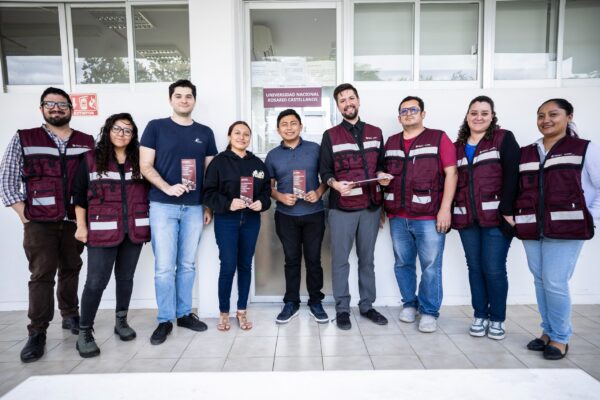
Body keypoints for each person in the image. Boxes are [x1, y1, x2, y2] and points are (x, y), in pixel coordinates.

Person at [0, 87, 94, 362]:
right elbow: (7, 180)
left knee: (71, 268)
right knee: (42, 274)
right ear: (42, 108)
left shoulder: (86, 141)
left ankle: (70, 315)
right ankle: (37, 332)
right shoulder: (25, 137)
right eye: (50, 104)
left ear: (71, 109)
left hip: (74, 220)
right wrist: (25, 215)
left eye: (62, 104)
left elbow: (93, 180)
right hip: (39, 222)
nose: (56, 108)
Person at [515, 98, 600, 360]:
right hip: (532, 228)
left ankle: (561, 338)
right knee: (541, 281)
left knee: (555, 282)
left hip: (567, 227)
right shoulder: (528, 151)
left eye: (553, 114)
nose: (546, 120)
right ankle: (548, 331)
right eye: (541, 116)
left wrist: (590, 216)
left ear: (569, 117)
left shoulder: (584, 148)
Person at [140, 79, 217, 345]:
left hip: (194, 207)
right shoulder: (155, 127)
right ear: (170, 99)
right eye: (179, 96)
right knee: (164, 267)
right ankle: (164, 319)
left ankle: (183, 314)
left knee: (187, 264)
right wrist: (167, 187)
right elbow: (145, 166)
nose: (184, 100)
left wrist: (207, 205)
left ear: (194, 100)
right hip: (163, 206)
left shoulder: (205, 132)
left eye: (188, 96)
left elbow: (209, 173)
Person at [72, 113, 150, 357]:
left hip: (133, 231)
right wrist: (81, 226)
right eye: (117, 128)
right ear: (107, 130)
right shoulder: (90, 159)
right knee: (95, 282)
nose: (122, 134)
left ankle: (121, 321)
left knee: (125, 278)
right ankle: (85, 331)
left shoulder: (141, 161)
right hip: (102, 231)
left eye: (128, 130)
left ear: (133, 135)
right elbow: (79, 196)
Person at [382, 96, 457, 333]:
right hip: (398, 216)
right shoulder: (391, 142)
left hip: (429, 217)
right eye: (404, 111)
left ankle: (429, 311)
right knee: (403, 263)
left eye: (413, 109)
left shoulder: (438, 138)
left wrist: (445, 209)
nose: (408, 114)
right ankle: (409, 304)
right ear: (399, 117)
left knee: (431, 266)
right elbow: (383, 173)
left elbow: (452, 173)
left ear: (423, 114)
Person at [319, 83, 390, 330]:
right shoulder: (330, 135)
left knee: (367, 260)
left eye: (351, 98)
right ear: (338, 106)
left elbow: (381, 165)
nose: (347, 103)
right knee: (340, 260)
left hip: (371, 208)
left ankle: (367, 306)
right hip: (341, 208)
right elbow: (325, 171)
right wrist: (335, 184)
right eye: (342, 100)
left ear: (358, 101)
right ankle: (342, 309)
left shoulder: (375, 132)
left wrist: (382, 176)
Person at [451, 96, 520, 340]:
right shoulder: (457, 146)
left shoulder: (503, 138)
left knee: (494, 269)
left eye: (484, 113)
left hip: (496, 219)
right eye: (474, 112)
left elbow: (513, 175)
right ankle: (480, 315)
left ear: (492, 116)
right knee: (475, 268)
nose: (478, 117)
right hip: (466, 219)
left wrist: (508, 211)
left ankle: (497, 319)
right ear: (467, 116)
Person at [203, 121, 271, 331]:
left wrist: (262, 203)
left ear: (250, 138)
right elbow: (208, 193)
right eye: (237, 133)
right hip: (227, 220)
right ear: (229, 136)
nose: (242, 137)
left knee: (245, 265)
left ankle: (242, 311)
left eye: (246, 134)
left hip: (251, 220)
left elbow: (266, 192)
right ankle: (224, 312)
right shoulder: (219, 162)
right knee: (228, 265)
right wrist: (228, 203)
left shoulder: (257, 163)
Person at [265, 109, 329, 324]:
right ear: (278, 130)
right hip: (285, 216)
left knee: (313, 260)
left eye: (293, 123)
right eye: (284, 124)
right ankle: (291, 302)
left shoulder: (315, 149)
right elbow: (268, 187)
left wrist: (318, 192)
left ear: (301, 126)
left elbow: (326, 177)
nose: (289, 127)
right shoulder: (272, 155)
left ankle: (315, 301)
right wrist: (280, 197)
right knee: (291, 260)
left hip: (314, 214)